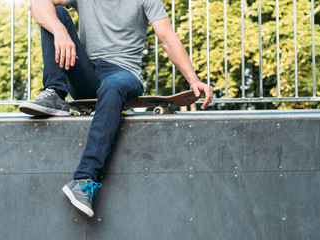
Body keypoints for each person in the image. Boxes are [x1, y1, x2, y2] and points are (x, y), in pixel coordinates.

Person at [19, 0, 213, 217]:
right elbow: (36, 3)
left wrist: (193, 79)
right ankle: (55, 92)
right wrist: (60, 31)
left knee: (113, 85)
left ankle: (85, 180)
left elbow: (167, 37)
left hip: (122, 74)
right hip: (86, 73)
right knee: (55, 13)